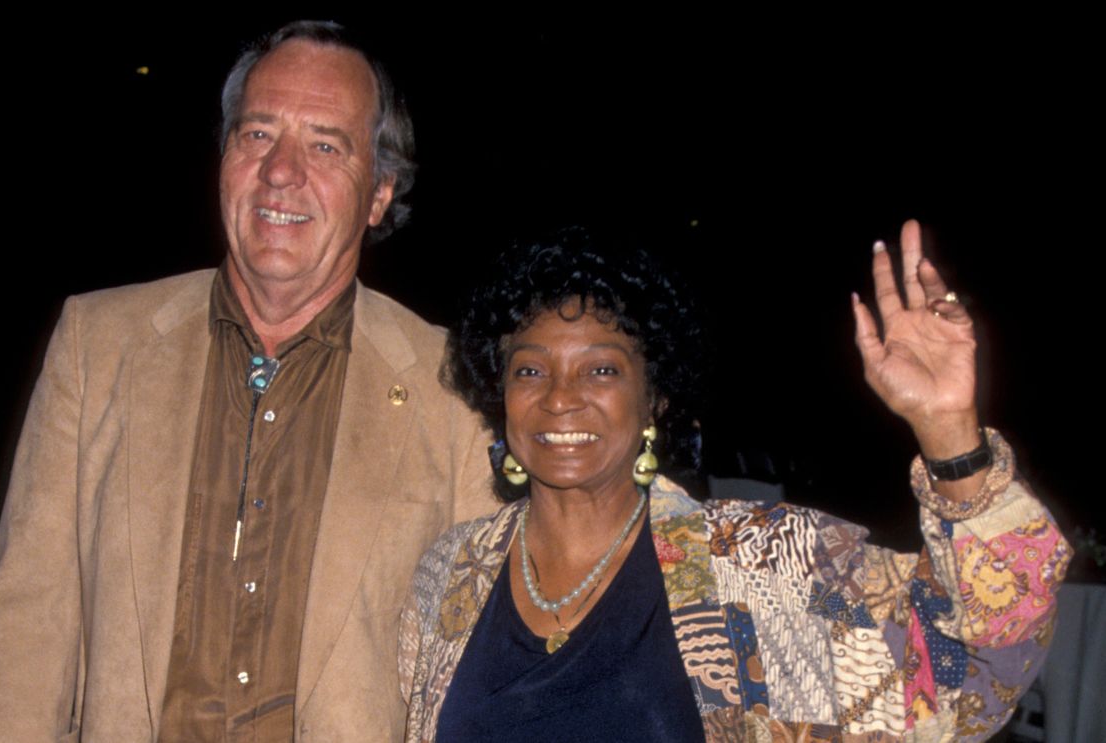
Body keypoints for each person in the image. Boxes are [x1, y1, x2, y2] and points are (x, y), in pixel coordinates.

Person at [0, 21, 494, 743]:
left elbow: (479, 671)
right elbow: (27, 625)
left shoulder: (453, 391)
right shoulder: (97, 343)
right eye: (257, 135)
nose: (281, 171)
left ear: (378, 192)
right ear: (223, 156)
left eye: (324, 144)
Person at [399, 224, 1069, 742]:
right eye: (529, 370)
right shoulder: (450, 575)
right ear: (500, 393)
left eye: (601, 370)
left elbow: (974, 669)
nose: (560, 397)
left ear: (653, 397)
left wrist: (948, 431)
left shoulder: (758, 562)